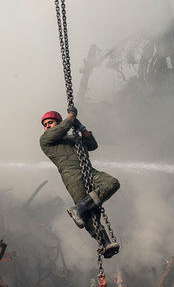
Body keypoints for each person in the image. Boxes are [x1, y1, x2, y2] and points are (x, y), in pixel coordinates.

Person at [39, 107, 120, 258]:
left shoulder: (72, 139)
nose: (47, 126)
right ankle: (105, 244)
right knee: (91, 216)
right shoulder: (46, 140)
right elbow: (62, 129)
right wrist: (71, 118)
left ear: (57, 122)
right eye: (45, 124)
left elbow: (92, 145)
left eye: (50, 122)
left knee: (112, 183)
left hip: (90, 172)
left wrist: (81, 127)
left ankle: (78, 208)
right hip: (72, 176)